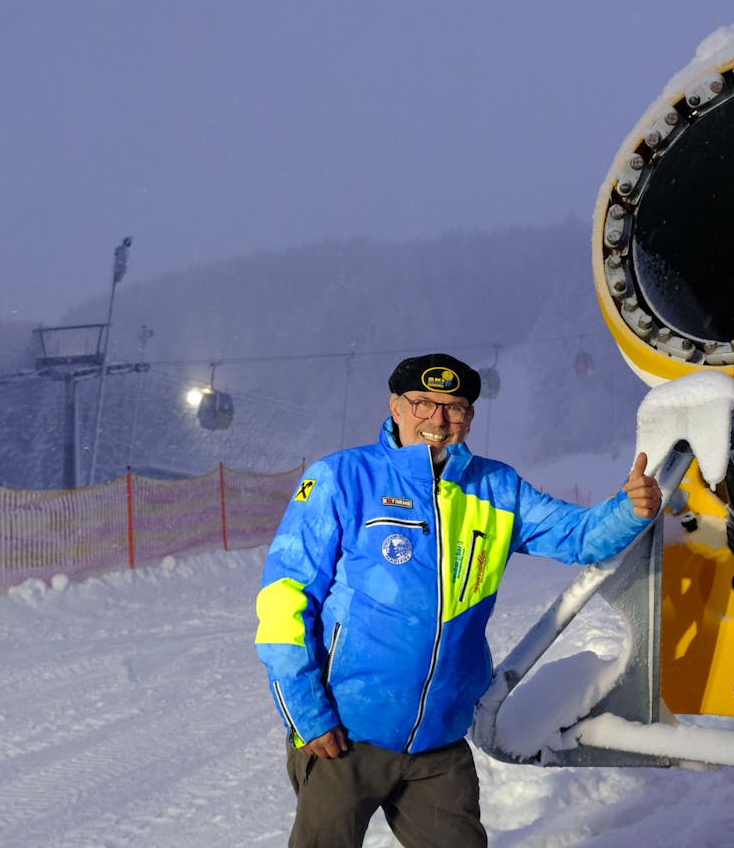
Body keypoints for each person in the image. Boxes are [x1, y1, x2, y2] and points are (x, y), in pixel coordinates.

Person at [255, 352, 662, 847]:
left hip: (439, 744)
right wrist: (307, 715)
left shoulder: (495, 488)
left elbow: (577, 537)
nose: (438, 419)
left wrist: (629, 510)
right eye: (423, 403)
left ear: (469, 416)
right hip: (343, 737)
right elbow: (283, 599)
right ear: (396, 407)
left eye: (455, 408)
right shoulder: (343, 478)